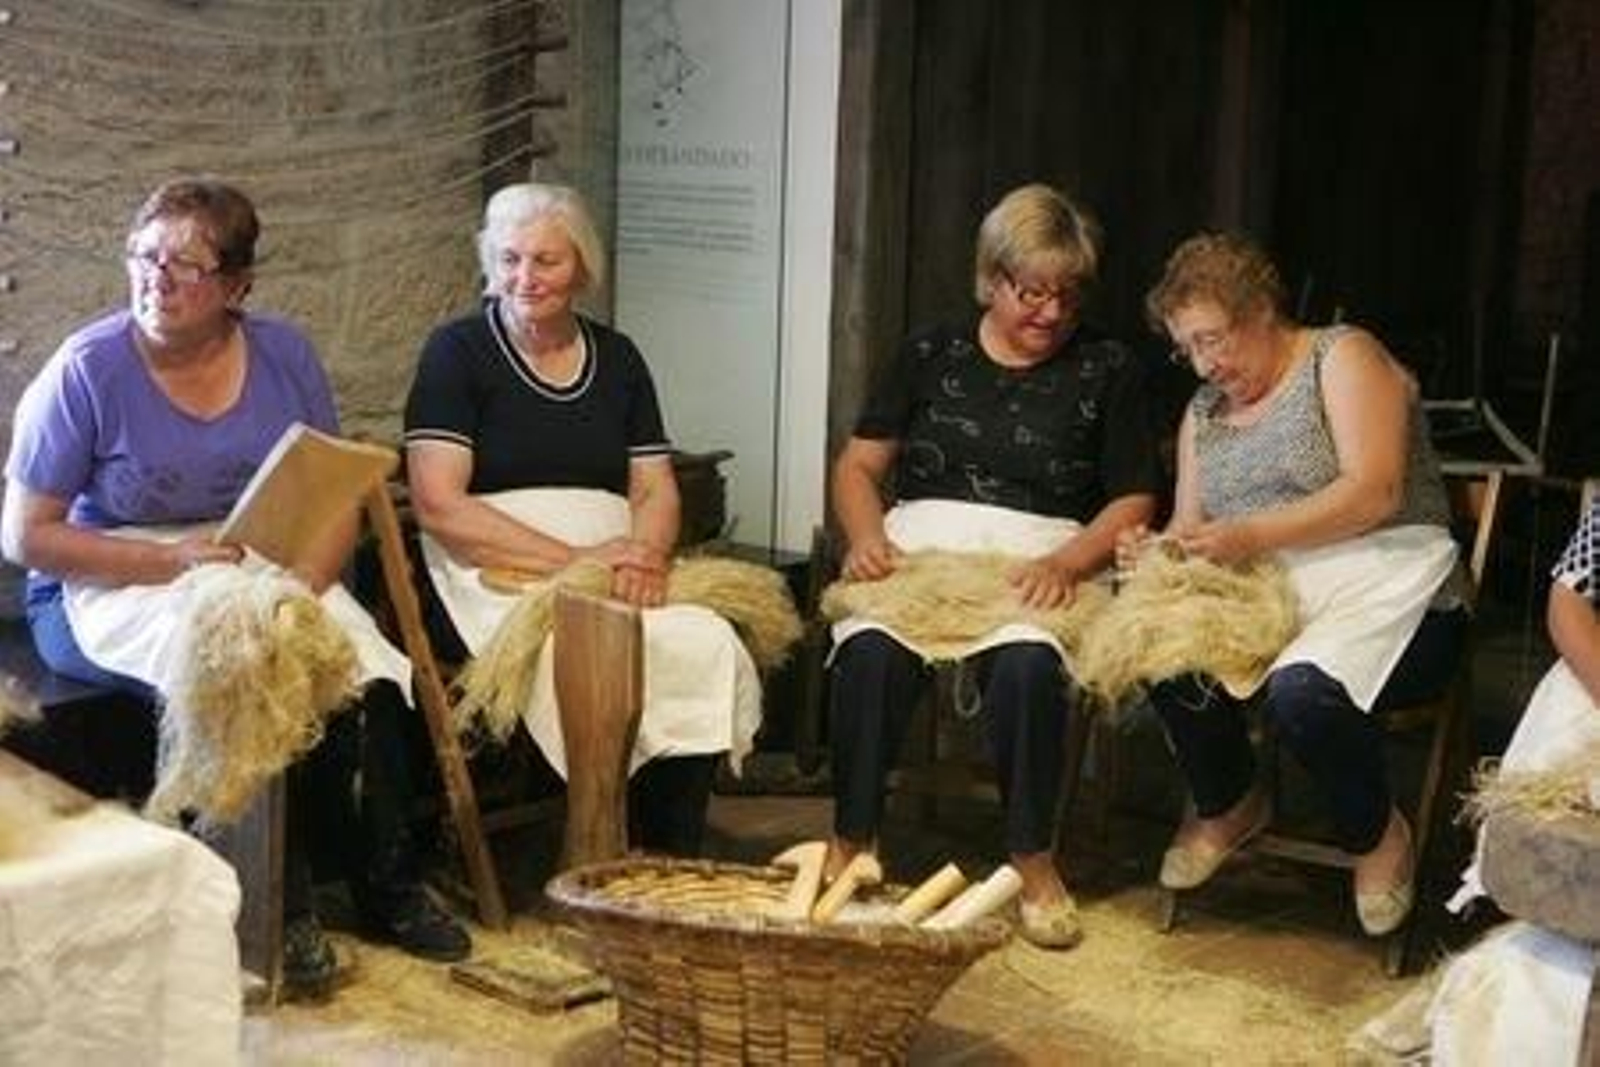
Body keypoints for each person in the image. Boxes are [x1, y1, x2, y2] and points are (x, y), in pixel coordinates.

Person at [0, 178, 470, 999]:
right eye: (145, 256)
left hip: (256, 556)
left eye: (186, 264)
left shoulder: (284, 354)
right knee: (239, 662)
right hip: (112, 572)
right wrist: (174, 564)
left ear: (237, 285)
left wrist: (304, 588)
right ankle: (276, 903)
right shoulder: (89, 368)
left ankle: (386, 881)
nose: (158, 278)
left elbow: (331, 488)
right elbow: (26, 537)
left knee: (358, 663)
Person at [826, 183, 1161, 949]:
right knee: (870, 653)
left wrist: (1069, 561)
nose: (1050, 313)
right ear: (992, 277)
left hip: (1041, 559)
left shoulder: (1109, 367)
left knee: (1027, 666)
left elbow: (1133, 497)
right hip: (923, 553)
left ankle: (1032, 859)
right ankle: (853, 839)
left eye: (1067, 296)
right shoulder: (929, 352)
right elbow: (858, 466)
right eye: (1031, 292)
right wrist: (867, 537)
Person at [403, 181, 760, 857]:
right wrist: (575, 563)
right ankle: (595, 841)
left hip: (617, 564)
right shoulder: (458, 352)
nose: (525, 277)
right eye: (510, 259)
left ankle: (669, 851)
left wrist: (645, 556)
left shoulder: (618, 358)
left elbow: (654, 489)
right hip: (498, 573)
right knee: (582, 654)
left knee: (703, 640)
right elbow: (440, 503)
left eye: (546, 260)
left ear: (582, 269)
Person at [1129, 231, 1467, 936]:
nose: (1204, 364)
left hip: (1390, 583)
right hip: (1269, 596)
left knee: (1303, 694)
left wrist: (1251, 535)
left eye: (1212, 339)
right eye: (1187, 348)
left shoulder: (1339, 356)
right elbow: (1190, 525)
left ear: (1260, 310)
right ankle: (1229, 800)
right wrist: (1158, 551)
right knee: (1151, 644)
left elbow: (1374, 491)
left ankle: (1376, 834)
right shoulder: (1203, 412)